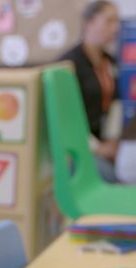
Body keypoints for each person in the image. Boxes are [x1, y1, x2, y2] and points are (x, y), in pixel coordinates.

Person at [60, 0, 122, 183]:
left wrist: (111, 140)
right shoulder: (68, 65)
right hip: (76, 147)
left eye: (117, 21)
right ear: (89, 23)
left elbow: (115, 103)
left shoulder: (109, 61)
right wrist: (97, 148)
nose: (116, 28)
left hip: (103, 141)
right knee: (110, 176)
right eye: (109, 21)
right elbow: (64, 117)